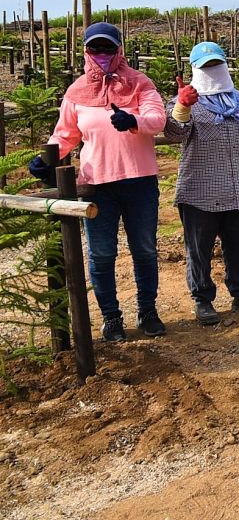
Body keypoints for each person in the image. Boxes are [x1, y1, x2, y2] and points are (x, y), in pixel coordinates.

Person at [29, 22, 167, 341]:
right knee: (102, 253)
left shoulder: (139, 83)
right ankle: (111, 317)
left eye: (108, 48)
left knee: (144, 250)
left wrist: (133, 120)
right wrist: (47, 158)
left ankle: (147, 311)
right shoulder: (77, 92)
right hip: (97, 185)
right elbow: (65, 134)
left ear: (119, 50)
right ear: (86, 51)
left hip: (140, 182)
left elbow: (158, 119)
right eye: (96, 48)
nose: (102, 54)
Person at [163, 42, 239, 325]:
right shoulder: (185, 101)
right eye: (206, 66)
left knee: (238, 244)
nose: (212, 70)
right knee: (199, 248)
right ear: (195, 69)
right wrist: (183, 105)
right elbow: (175, 133)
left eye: (216, 64)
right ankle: (203, 299)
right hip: (201, 192)